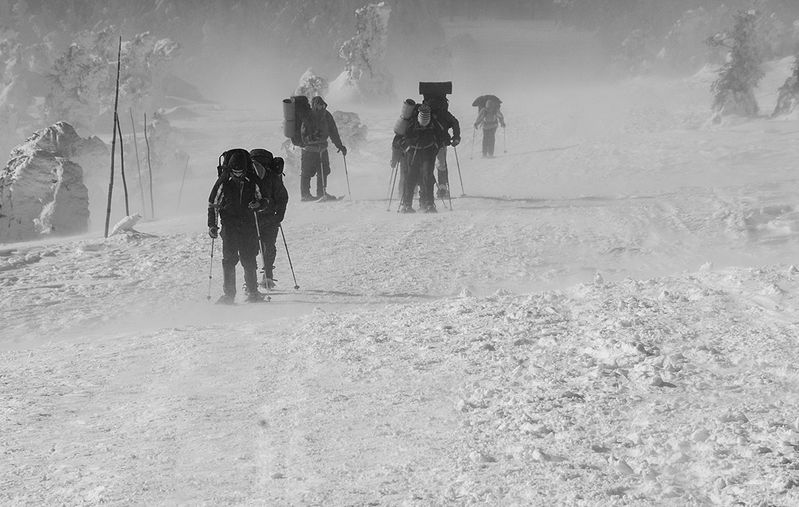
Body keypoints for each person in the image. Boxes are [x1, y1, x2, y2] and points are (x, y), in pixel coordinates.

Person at [207, 150, 269, 304]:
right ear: (230, 170)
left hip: (248, 225)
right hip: (229, 226)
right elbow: (213, 204)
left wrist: (258, 204)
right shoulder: (223, 181)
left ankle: (253, 292)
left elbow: (264, 199)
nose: (238, 175)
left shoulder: (252, 180)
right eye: (234, 172)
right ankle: (229, 295)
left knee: (248, 259)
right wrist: (213, 225)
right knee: (229, 260)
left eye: (240, 172)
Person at [250, 148, 289, 289]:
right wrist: (279, 215)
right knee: (269, 246)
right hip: (270, 216)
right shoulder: (273, 176)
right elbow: (282, 197)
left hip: (250, 218)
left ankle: (251, 279)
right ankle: (267, 275)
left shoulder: (248, 175)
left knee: (250, 248)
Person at [299, 96, 347, 201]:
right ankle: (305, 195)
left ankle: (321, 193)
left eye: (322, 104)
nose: (320, 106)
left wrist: (340, 146)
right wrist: (313, 137)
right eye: (318, 104)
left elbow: (333, 132)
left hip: (322, 149)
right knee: (307, 172)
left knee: (324, 171)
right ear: (314, 105)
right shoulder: (308, 116)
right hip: (309, 150)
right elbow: (303, 137)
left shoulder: (327, 115)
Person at [402, 103, 440, 213]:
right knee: (425, 177)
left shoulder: (412, 124)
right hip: (422, 153)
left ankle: (407, 205)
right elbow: (439, 138)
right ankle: (428, 204)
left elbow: (403, 140)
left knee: (414, 178)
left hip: (418, 153)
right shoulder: (429, 124)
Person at [424, 95, 460, 199]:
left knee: (425, 165)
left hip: (426, 143)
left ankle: (423, 188)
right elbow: (455, 122)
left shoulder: (425, 111)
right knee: (441, 165)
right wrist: (456, 137)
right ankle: (443, 189)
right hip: (441, 142)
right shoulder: (443, 113)